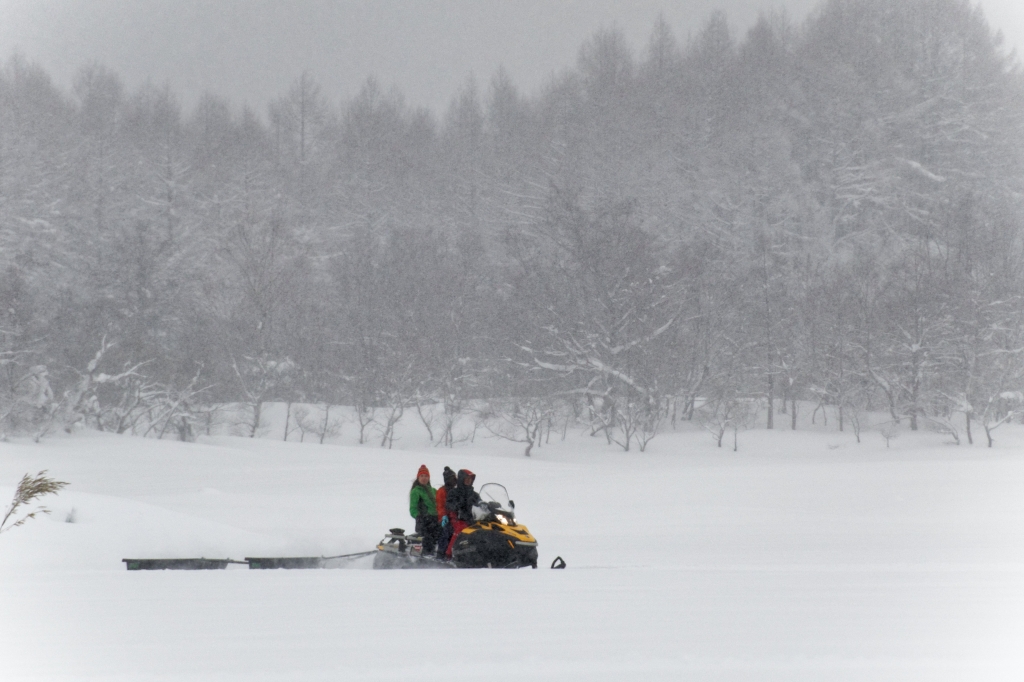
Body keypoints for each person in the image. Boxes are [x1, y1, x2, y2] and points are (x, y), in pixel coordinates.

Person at [444, 469, 480, 557]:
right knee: (460, 529)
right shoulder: (454, 492)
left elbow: (480, 504)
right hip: (457, 518)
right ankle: (449, 554)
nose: (468, 481)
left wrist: (490, 506)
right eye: (466, 478)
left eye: (470, 479)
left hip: (472, 518)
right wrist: (457, 505)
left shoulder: (474, 494)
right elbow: (449, 504)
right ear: (461, 479)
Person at [409, 464, 440, 555]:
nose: (424, 478)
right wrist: (419, 516)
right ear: (418, 477)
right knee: (428, 539)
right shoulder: (416, 491)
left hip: (436, 520)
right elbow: (413, 508)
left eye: (426, 476)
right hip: (424, 521)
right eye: (422, 476)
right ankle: (427, 557)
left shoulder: (434, 490)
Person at [435, 466, 457, 558]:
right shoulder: (442, 491)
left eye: (454, 478)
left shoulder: (456, 491)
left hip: (455, 517)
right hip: (444, 518)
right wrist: (443, 516)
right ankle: (441, 553)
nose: (453, 480)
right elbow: (440, 506)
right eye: (451, 478)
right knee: (446, 531)